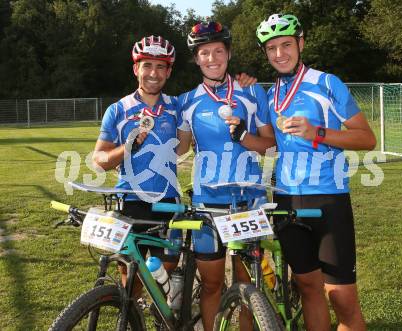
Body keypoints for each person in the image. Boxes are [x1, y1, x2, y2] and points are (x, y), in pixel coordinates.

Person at [256, 14, 376, 331]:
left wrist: (317, 133)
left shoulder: (327, 83)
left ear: (301, 43)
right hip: (286, 200)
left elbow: (366, 138)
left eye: (286, 44)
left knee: (342, 298)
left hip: (328, 200)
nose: (279, 53)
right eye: (271, 48)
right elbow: (271, 143)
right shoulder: (271, 96)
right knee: (308, 288)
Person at [177, 21, 276, 330]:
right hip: (208, 201)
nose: (212, 58)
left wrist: (244, 135)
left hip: (248, 199)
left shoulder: (251, 91)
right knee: (211, 284)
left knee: (249, 283)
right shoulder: (186, 101)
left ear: (229, 54)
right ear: (196, 58)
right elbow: (179, 151)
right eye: (204, 52)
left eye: (218, 51)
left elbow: (269, 144)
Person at [92, 35, 181, 301]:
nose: (153, 73)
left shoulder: (177, 106)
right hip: (130, 201)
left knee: (167, 268)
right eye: (147, 66)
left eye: (161, 66)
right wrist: (128, 146)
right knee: (130, 278)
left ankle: (163, 311)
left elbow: (214, 93)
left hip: (167, 202)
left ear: (168, 71)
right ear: (136, 69)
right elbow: (99, 159)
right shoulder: (118, 110)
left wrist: (243, 83)